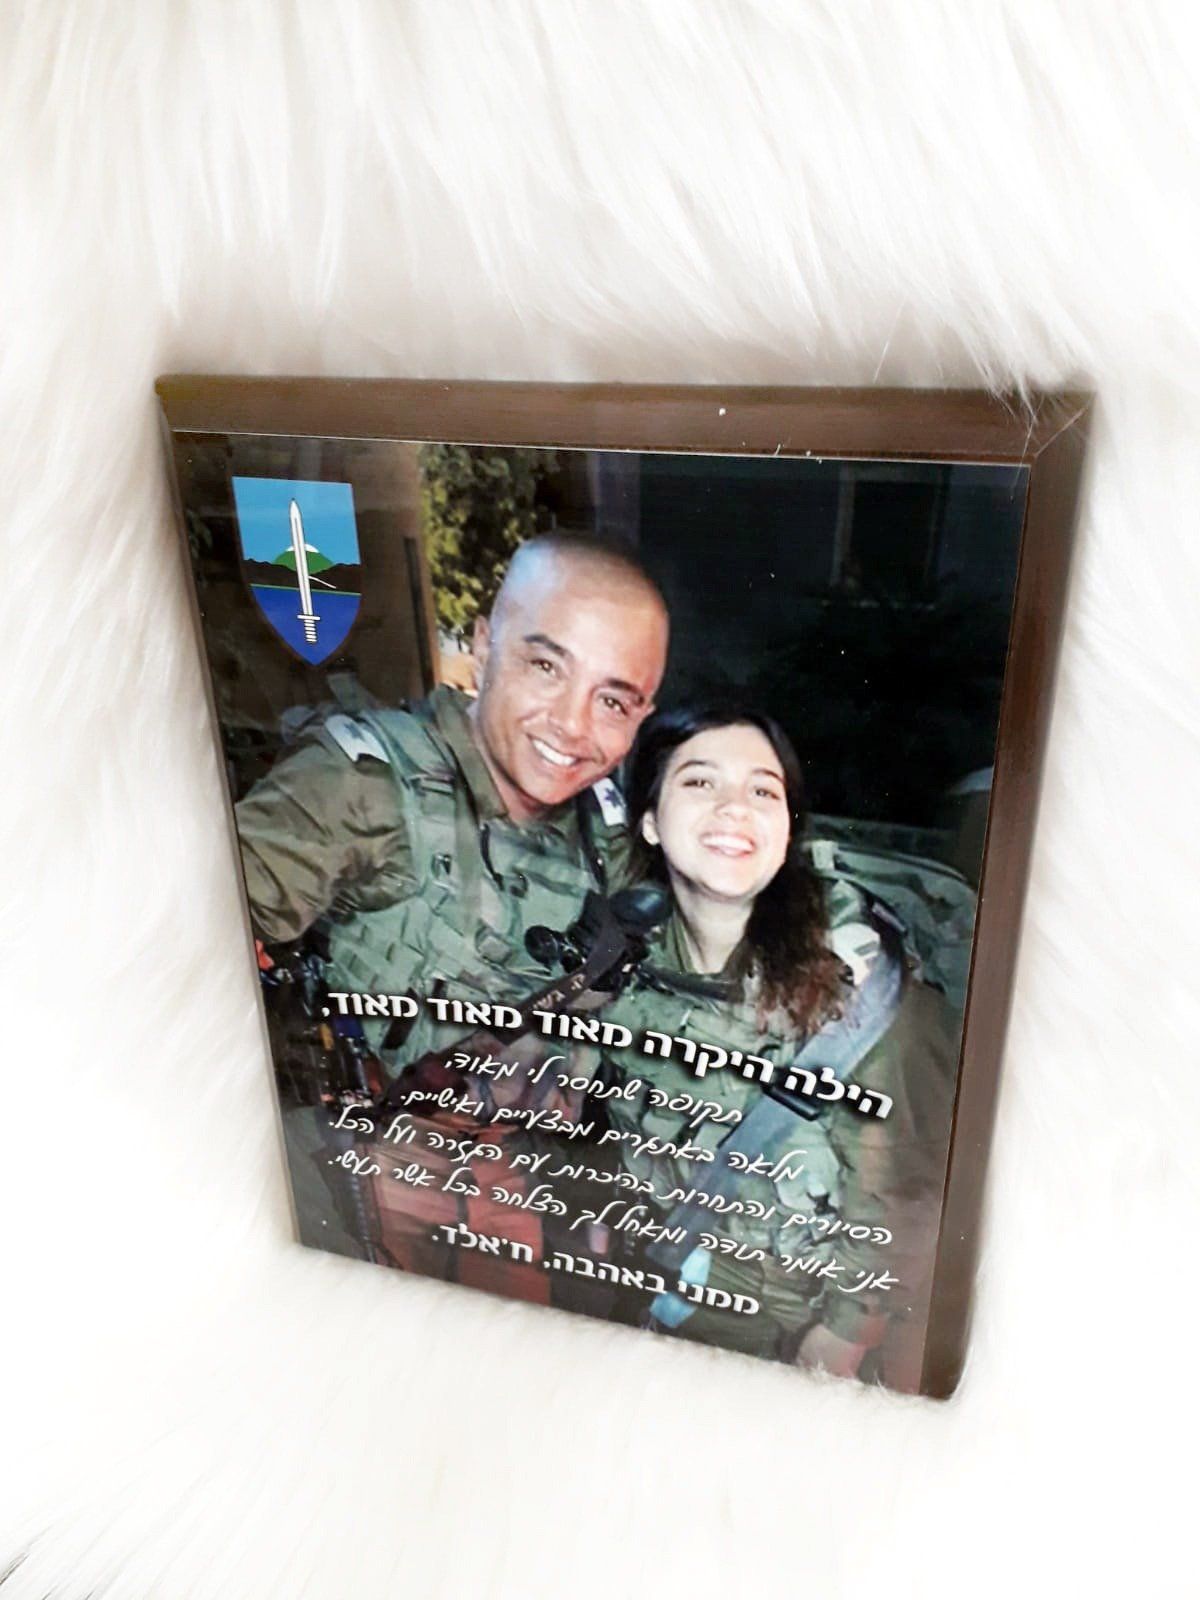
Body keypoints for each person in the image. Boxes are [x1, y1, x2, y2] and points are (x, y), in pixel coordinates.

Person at [235, 533, 670, 1295]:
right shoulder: (362, 784)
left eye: (612, 700)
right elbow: (169, 954)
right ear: (484, 645)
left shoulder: (608, 829)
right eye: (546, 667)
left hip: (514, 1175)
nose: (572, 726)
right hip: (363, 1166)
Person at [579, 704, 958, 1386]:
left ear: (786, 830)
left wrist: (845, 1337)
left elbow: (910, 1196)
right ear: (650, 820)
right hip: (653, 1290)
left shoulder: (868, 1000)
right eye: (700, 782)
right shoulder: (626, 958)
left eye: (763, 790)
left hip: (790, 1335)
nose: (735, 808)